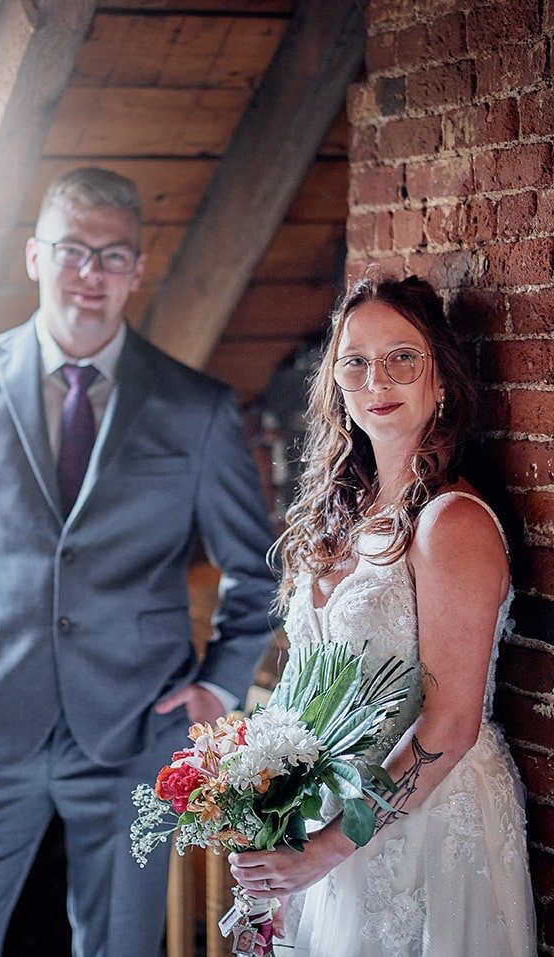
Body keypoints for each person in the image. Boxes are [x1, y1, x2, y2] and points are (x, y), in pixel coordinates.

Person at [0, 166, 276, 957]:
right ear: (35, 256)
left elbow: (256, 570)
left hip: (138, 729)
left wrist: (218, 687)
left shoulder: (195, 406)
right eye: (72, 251)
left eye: (113, 255)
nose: (91, 274)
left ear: (137, 269)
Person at [229, 273, 537, 956]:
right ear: (336, 385)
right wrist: (273, 825)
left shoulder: (449, 523)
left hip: (426, 826)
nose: (378, 380)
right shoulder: (341, 516)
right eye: (356, 362)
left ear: (442, 380)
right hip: (333, 820)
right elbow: (303, 692)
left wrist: (326, 849)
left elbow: (450, 726)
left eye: (403, 358)